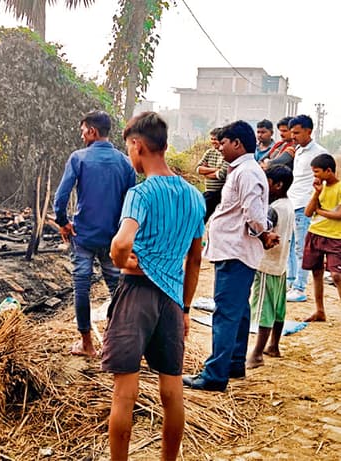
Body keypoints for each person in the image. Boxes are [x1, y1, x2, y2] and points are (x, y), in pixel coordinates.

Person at [103, 112, 205, 461]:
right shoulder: (194, 197)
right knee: (172, 391)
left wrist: (124, 261)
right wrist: (186, 308)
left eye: (128, 148)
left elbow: (120, 244)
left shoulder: (140, 194)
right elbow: (195, 260)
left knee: (124, 394)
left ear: (138, 145)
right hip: (173, 300)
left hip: (136, 295)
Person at [184, 120, 279, 392]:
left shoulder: (246, 172)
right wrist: (262, 233)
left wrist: (264, 233)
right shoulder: (243, 170)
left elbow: (253, 213)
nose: (219, 148)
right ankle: (235, 363)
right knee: (239, 310)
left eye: (223, 143)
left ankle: (215, 375)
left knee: (225, 312)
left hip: (235, 252)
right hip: (234, 250)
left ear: (237, 143)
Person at [53, 110, 136, 358]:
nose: (82, 136)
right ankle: (115, 344)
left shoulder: (79, 158)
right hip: (114, 238)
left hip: (83, 235)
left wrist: (63, 222)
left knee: (82, 285)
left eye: (83, 131)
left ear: (92, 131)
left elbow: (61, 198)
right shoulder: (125, 163)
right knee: (117, 288)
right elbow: (131, 203)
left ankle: (87, 344)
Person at [246, 165, 294, 369]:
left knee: (264, 310)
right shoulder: (288, 205)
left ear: (278, 185)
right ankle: (274, 345)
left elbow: (263, 232)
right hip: (281, 265)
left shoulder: (273, 209)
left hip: (266, 265)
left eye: (268, 182)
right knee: (278, 308)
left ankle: (257, 354)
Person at [286, 115, 329, 302]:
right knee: (289, 245)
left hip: (304, 205)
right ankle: (290, 282)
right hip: (292, 202)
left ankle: (299, 288)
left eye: (296, 133)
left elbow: (325, 182)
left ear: (308, 131)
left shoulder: (319, 153)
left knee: (301, 248)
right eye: (292, 133)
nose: (293, 136)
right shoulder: (298, 150)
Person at [301, 154, 341, 322]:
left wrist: (320, 211)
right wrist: (316, 194)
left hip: (335, 237)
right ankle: (320, 310)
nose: (314, 175)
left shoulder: (339, 188)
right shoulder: (320, 187)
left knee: (337, 275)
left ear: (328, 171)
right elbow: (308, 212)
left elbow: (339, 215)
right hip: (315, 233)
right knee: (316, 272)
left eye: (317, 172)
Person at [196, 127, 228, 222]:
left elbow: (221, 175)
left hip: (219, 192)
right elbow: (198, 169)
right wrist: (215, 169)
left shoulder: (225, 153)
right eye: (212, 139)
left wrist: (206, 172)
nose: (213, 141)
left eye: (215, 139)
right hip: (209, 190)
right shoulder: (209, 152)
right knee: (200, 215)